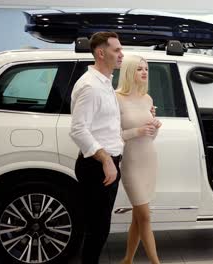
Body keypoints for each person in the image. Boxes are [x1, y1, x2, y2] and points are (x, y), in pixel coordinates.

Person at [69, 31, 124, 264]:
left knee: (99, 228)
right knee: (96, 229)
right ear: (101, 53)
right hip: (97, 166)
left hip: (106, 163)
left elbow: (105, 124)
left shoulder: (104, 83)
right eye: (116, 50)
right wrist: (105, 159)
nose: (122, 54)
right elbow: (78, 129)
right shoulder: (90, 86)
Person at [116, 55, 162, 264]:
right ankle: (156, 262)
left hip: (148, 160)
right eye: (139, 69)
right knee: (145, 216)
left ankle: (128, 259)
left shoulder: (148, 99)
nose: (144, 72)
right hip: (131, 163)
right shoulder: (116, 98)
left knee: (138, 216)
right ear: (128, 72)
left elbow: (150, 137)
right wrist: (138, 130)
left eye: (146, 69)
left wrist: (154, 128)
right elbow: (114, 136)